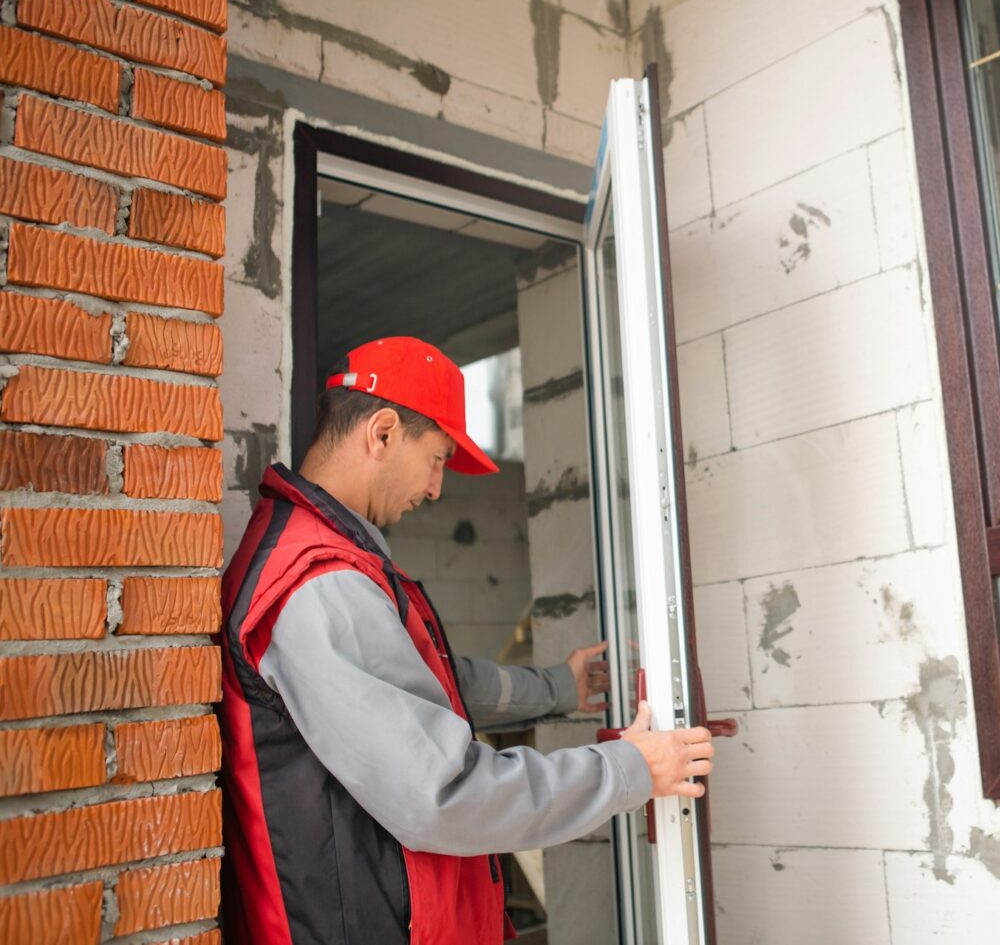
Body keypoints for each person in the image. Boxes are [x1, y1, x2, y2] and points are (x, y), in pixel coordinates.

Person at [218, 335, 714, 945]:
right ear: (382, 433)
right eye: (439, 458)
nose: (436, 489)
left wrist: (560, 687)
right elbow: (444, 794)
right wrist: (631, 769)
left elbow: (427, 683)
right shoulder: (319, 586)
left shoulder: (329, 559)